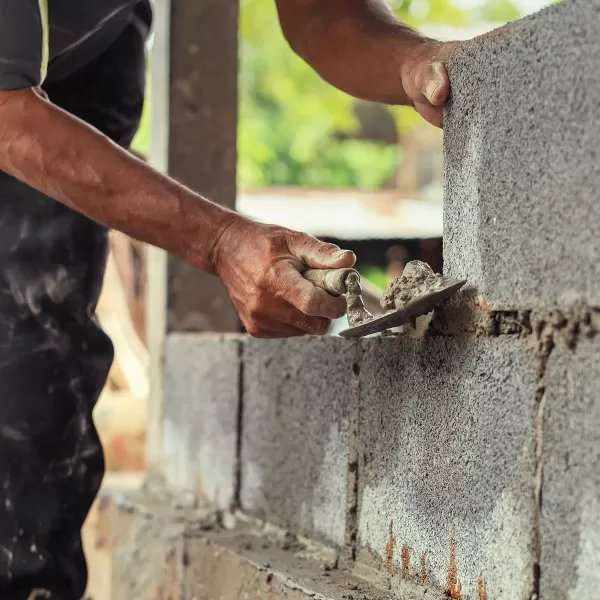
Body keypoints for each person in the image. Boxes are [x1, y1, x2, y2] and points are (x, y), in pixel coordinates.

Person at [0, 0, 457, 597]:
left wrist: (414, 62)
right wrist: (220, 242)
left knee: (41, 384)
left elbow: (322, 15)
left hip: (82, 46)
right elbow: (7, 113)